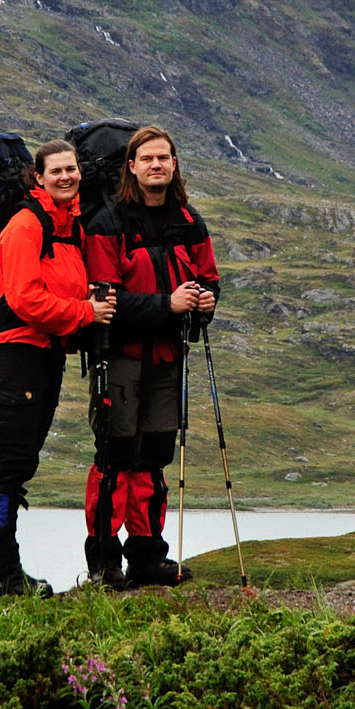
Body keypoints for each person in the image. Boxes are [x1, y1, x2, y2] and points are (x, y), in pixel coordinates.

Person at [0, 139, 117, 596]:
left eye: (71, 169)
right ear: (38, 177)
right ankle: (2, 574)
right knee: (9, 466)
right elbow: (23, 298)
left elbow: (60, 289)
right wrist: (85, 315)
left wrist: (87, 306)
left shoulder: (67, 226)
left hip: (45, 354)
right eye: (55, 171)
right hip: (17, 353)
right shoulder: (25, 224)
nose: (66, 177)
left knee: (17, 465)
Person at [81, 125, 220, 587]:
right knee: (115, 457)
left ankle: (147, 557)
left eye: (164, 158)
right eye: (147, 159)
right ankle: (104, 563)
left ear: (174, 164)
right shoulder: (108, 223)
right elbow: (105, 298)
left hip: (167, 358)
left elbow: (209, 279)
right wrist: (169, 305)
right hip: (119, 357)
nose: (156, 165)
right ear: (132, 167)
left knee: (154, 457)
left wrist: (206, 302)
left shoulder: (189, 221)